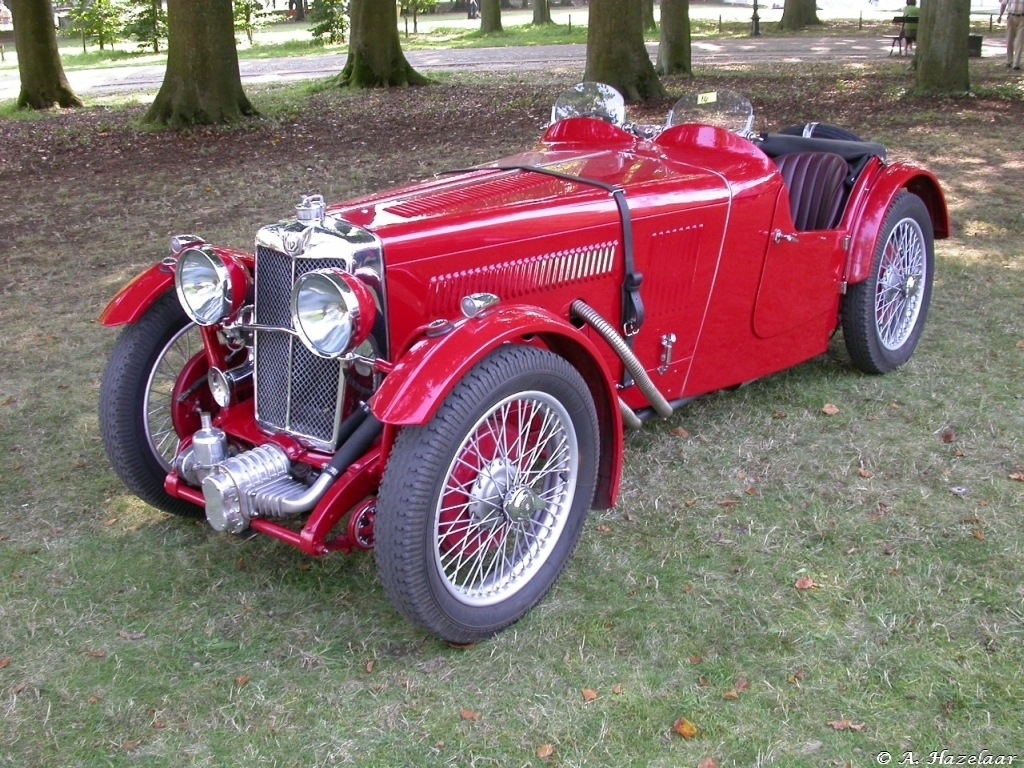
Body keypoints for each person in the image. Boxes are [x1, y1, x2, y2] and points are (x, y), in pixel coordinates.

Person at [998, 0, 1024, 70]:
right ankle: (1009, 61)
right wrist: (1000, 16)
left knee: (1020, 42)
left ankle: (1016, 63)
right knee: (1009, 40)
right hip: (1011, 17)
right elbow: (1003, 4)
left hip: (1022, 18)